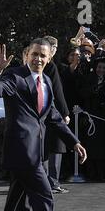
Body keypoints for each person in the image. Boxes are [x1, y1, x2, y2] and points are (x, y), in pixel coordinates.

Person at [0, 38, 87, 211]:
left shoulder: (48, 82)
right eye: (34, 54)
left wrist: (73, 141)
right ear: (26, 55)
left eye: (43, 55)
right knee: (45, 200)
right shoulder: (14, 77)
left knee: (17, 209)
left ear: (50, 58)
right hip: (23, 154)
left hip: (37, 154)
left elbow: (52, 115)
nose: (38, 59)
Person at [43, 35, 71, 194]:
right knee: (55, 148)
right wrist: (65, 112)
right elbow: (57, 92)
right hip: (52, 112)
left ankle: (46, 182)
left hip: (40, 113)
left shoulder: (36, 65)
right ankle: (52, 183)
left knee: (45, 149)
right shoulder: (51, 66)